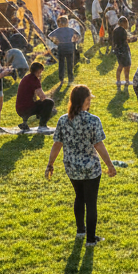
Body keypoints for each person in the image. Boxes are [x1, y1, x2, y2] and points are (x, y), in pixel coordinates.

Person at [46, 84, 116, 246]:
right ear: (84, 101)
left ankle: (80, 231)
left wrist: (50, 164)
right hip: (91, 168)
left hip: (71, 168)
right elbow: (99, 145)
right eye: (89, 99)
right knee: (91, 202)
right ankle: (91, 239)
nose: (90, 102)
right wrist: (110, 165)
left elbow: (57, 145)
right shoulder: (93, 120)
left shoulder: (63, 120)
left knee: (79, 197)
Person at [15, 62, 55, 131]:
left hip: (19, 108)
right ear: (38, 71)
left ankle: (25, 122)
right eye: (40, 72)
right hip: (27, 108)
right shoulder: (34, 80)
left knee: (39, 103)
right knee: (49, 102)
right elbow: (42, 97)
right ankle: (42, 125)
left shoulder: (26, 77)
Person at [49, 16, 80, 89]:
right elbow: (77, 35)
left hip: (61, 48)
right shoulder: (70, 30)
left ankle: (61, 79)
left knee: (61, 64)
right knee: (70, 64)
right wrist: (74, 40)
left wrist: (56, 41)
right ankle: (70, 78)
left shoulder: (57, 30)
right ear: (67, 22)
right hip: (69, 48)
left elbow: (50, 36)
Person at [111, 16, 135, 91]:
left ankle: (118, 81)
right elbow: (125, 41)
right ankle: (127, 80)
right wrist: (132, 40)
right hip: (124, 50)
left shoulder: (115, 30)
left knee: (120, 66)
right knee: (127, 66)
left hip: (118, 50)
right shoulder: (123, 31)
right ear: (124, 23)